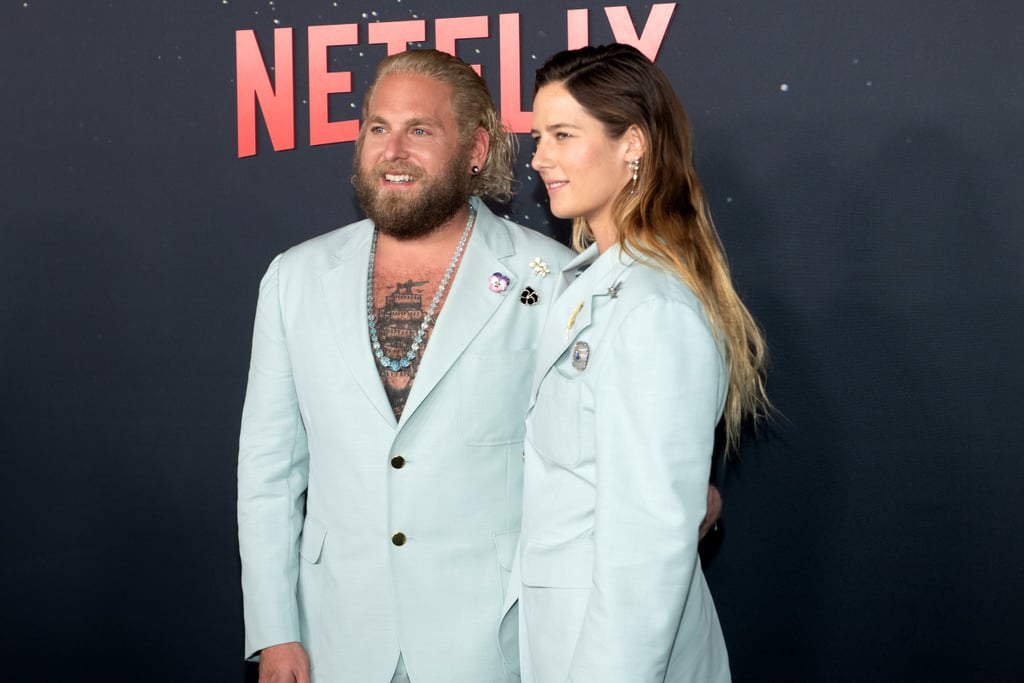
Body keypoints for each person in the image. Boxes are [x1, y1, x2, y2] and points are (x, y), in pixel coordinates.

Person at [237, 49, 574, 683]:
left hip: (496, 640)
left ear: (476, 148)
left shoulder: (548, 279)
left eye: (419, 130)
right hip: (334, 638)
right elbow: (269, 470)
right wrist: (275, 631)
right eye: (377, 128)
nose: (393, 150)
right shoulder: (295, 277)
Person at [509, 44, 769, 682]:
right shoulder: (591, 286)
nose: (538, 157)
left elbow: (647, 550)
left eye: (563, 135)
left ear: (634, 144)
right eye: (539, 136)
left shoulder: (655, 311)